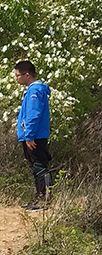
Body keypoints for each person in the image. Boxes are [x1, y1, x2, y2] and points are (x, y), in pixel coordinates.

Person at [13, 60, 51, 209]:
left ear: (27, 75)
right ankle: (40, 196)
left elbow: (33, 114)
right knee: (36, 165)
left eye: (18, 75)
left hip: (35, 136)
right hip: (33, 135)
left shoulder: (34, 91)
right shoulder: (31, 90)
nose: (16, 79)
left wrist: (29, 135)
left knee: (39, 165)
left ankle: (44, 199)